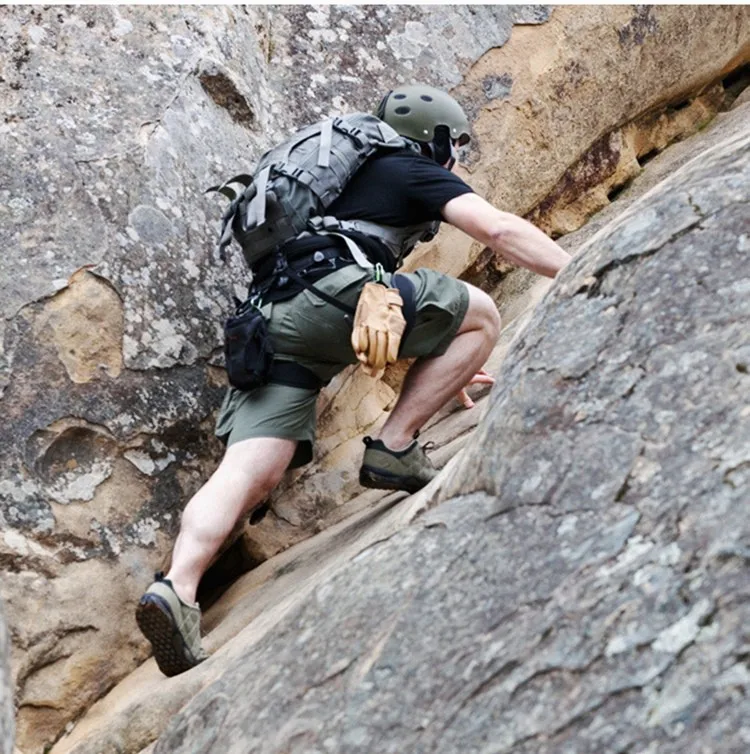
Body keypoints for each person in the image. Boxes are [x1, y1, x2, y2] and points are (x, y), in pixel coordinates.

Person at [135, 84, 572, 677]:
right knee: (483, 315)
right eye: (456, 145)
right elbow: (496, 229)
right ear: (435, 140)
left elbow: (362, 318)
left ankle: (176, 588)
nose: (459, 159)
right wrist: (583, 269)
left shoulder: (343, 185)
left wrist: (443, 368)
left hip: (269, 322)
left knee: (247, 470)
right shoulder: (410, 168)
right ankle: (393, 450)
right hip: (332, 294)